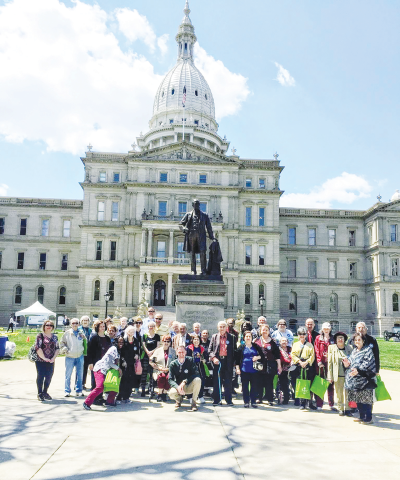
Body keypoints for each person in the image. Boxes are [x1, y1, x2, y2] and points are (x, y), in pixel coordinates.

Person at [344, 332, 377, 424]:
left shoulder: (367, 350)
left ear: (363, 341)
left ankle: (368, 418)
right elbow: (351, 361)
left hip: (365, 380)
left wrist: (358, 370)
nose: (357, 341)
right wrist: (347, 363)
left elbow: (368, 363)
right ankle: (362, 416)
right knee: (358, 399)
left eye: (359, 340)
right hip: (355, 381)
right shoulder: (354, 350)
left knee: (366, 400)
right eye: (355, 340)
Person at [179, 198, 216, 275]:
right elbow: (180, 224)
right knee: (192, 253)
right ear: (193, 205)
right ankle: (193, 270)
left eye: (198, 204)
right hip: (191, 236)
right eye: (195, 204)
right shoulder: (188, 215)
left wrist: (212, 237)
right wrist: (184, 229)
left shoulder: (204, 215)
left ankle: (203, 270)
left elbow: (209, 227)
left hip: (201, 236)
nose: (197, 205)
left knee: (203, 253)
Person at [83, 346, 122, 410]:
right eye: (119, 342)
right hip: (100, 369)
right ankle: (86, 402)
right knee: (100, 387)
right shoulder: (113, 349)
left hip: (106, 371)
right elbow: (109, 362)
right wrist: (119, 369)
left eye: (122, 342)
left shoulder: (118, 352)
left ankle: (110, 401)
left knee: (113, 385)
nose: (121, 343)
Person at [208, 321, 236, 406]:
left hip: (228, 362)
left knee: (228, 382)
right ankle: (217, 400)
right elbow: (210, 350)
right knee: (217, 381)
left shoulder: (232, 337)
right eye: (220, 327)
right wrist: (214, 358)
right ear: (218, 328)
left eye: (224, 326)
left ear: (226, 327)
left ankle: (229, 400)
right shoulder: (214, 337)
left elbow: (234, 350)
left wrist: (234, 363)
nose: (222, 328)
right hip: (218, 361)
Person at [235, 331, 264, 408]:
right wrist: (237, 369)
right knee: (245, 387)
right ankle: (246, 402)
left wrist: (257, 357)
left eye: (249, 336)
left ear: (252, 338)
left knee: (254, 386)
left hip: (254, 370)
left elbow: (262, 356)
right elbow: (237, 360)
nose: (248, 338)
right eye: (246, 336)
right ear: (244, 338)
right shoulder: (241, 347)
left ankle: (253, 401)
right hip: (244, 370)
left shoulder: (256, 346)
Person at [327, 332, 353, 416]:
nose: (340, 339)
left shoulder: (350, 348)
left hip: (348, 374)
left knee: (348, 392)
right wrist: (330, 376)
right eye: (338, 338)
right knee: (339, 392)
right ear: (336, 340)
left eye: (342, 338)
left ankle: (348, 409)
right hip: (337, 374)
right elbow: (330, 363)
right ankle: (341, 408)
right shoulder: (331, 348)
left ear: (345, 339)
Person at [168, 345, 201, 411]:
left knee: (198, 380)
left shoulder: (190, 360)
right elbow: (170, 379)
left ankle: (194, 403)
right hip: (179, 387)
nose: (181, 354)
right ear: (176, 353)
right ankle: (179, 400)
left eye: (182, 352)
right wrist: (177, 387)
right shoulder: (173, 364)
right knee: (171, 393)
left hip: (189, 386)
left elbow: (196, 374)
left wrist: (185, 381)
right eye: (179, 352)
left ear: (185, 352)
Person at [254, 325, 281, 405]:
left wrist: (279, 365)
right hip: (260, 364)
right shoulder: (257, 341)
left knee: (269, 383)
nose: (264, 331)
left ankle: (270, 399)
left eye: (266, 330)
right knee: (259, 382)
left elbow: (277, 355)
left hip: (270, 364)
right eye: (263, 330)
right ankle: (259, 398)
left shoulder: (273, 342)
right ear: (260, 331)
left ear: (269, 331)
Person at [291, 326, 316, 410]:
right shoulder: (295, 344)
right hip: (299, 366)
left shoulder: (310, 345)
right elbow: (293, 354)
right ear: (298, 335)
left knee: (309, 384)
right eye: (300, 334)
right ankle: (302, 403)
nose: (302, 336)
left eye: (303, 334)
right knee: (300, 384)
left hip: (307, 366)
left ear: (306, 335)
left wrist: (307, 362)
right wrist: (299, 361)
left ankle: (310, 402)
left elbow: (312, 356)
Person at [60, 318, 85, 397]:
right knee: (68, 374)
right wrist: (65, 349)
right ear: (71, 324)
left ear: (78, 324)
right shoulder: (67, 333)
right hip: (70, 357)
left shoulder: (81, 333)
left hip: (79, 356)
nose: (74, 324)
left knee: (80, 375)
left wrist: (84, 338)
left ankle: (79, 390)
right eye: (73, 323)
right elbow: (62, 343)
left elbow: (85, 343)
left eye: (76, 323)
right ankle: (67, 391)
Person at [34, 320, 59, 401]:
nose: (49, 326)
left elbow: (57, 348)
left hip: (51, 360)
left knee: (49, 376)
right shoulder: (40, 336)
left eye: (51, 325)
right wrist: (44, 358)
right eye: (47, 325)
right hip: (40, 360)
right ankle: (40, 393)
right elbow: (38, 348)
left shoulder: (55, 337)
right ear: (44, 326)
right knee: (41, 376)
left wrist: (53, 358)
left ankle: (45, 392)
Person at [314, 322, 336, 411]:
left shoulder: (333, 338)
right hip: (320, 365)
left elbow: (336, 350)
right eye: (325, 328)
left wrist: (330, 357)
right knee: (320, 384)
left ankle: (331, 404)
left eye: (328, 328)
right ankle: (319, 404)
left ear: (330, 329)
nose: (326, 330)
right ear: (322, 329)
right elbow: (316, 351)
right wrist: (319, 361)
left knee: (330, 384)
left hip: (330, 364)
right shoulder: (318, 338)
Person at [87, 319, 111, 401]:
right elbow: (89, 351)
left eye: (103, 326)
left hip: (105, 363)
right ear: (97, 328)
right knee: (95, 381)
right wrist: (90, 363)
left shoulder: (107, 338)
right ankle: (94, 398)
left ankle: (100, 397)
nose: (102, 328)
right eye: (100, 326)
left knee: (103, 380)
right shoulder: (94, 337)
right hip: (96, 362)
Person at [118, 326, 142, 403]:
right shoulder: (123, 340)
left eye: (133, 332)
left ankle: (126, 397)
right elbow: (120, 352)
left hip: (132, 363)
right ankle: (119, 397)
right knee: (123, 380)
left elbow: (138, 351)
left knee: (130, 380)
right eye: (130, 331)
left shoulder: (136, 340)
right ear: (127, 332)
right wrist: (123, 361)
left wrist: (137, 355)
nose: (131, 333)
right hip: (124, 363)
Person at [149, 335, 176, 402]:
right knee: (162, 377)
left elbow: (175, 362)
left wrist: (169, 369)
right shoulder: (158, 351)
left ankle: (164, 393)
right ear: (162, 342)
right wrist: (155, 366)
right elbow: (151, 361)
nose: (166, 343)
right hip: (159, 369)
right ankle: (160, 394)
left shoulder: (173, 351)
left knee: (168, 377)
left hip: (169, 369)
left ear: (170, 343)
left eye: (168, 341)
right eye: (165, 341)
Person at [140, 321, 160, 397]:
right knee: (144, 373)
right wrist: (148, 352)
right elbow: (143, 345)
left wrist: (152, 352)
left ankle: (151, 390)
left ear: (155, 327)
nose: (151, 327)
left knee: (152, 373)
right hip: (146, 356)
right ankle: (143, 390)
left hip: (154, 357)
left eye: (152, 326)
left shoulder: (157, 336)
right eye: (149, 326)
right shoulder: (144, 335)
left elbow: (158, 346)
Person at [186, 335, 208, 403]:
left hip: (200, 366)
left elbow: (206, 357)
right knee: (190, 381)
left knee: (201, 381)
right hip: (191, 367)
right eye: (194, 339)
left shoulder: (202, 348)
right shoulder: (188, 348)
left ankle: (200, 396)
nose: (196, 341)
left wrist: (205, 360)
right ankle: (190, 396)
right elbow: (186, 358)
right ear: (192, 340)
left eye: (197, 339)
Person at [277, 336, 292, 404]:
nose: (284, 342)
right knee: (283, 385)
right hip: (281, 370)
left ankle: (289, 397)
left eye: (285, 341)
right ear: (280, 342)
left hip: (291, 370)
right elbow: (281, 359)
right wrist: (288, 361)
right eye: (282, 341)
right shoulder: (278, 350)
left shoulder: (290, 349)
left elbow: (293, 357)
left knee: (289, 384)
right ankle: (283, 398)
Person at [79, 315, 91, 390]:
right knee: (79, 369)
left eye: (86, 320)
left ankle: (83, 383)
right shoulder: (79, 329)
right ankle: (78, 384)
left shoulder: (90, 330)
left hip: (87, 352)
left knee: (85, 369)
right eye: (83, 320)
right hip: (80, 351)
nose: (85, 322)